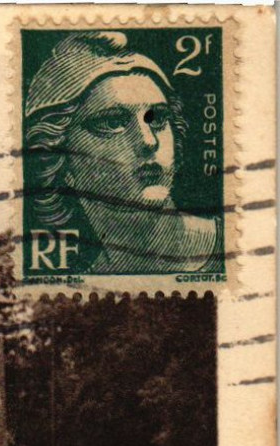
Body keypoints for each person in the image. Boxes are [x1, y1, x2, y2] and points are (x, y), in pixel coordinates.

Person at [24, 31, 221, 274]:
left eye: (157, 118)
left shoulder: (233, 247)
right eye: (112, 122)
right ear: (55, 156)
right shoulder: (77, 285)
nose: (149, 142)